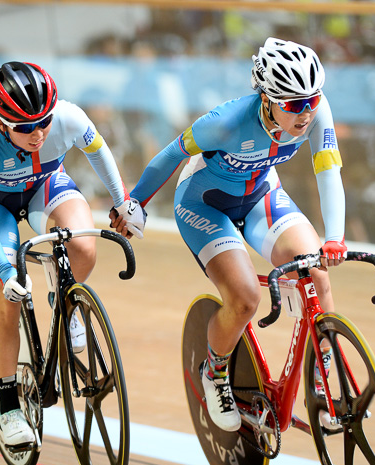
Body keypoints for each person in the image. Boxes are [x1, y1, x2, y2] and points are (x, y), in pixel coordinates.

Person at [111, 37, 347, 432]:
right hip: (204, 204)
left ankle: (323, 381)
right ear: (267, 98)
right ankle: (215, 373)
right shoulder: (225, 122)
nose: (306, 113)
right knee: (245, 298)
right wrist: (135, 202)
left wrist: (335, 237)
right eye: (293, 104)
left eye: (312, 99)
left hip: (260, 197)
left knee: (317, 275)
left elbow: (329, 172)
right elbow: (171, 154)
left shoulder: (317, 111)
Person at [0, 61, 145, 447]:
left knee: (82, 244)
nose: (38, 134)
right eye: (25, 128)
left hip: (44, 185)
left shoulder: (69, 118)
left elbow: (100, 154)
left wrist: (122, 203)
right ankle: (9, 406)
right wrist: (4, 272)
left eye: (43, 122)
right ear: (1, 123)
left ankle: (63, 298)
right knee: (4, 295)